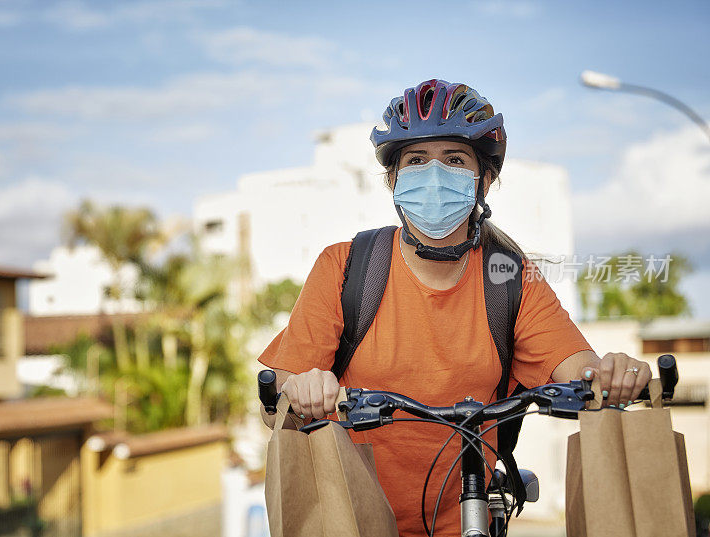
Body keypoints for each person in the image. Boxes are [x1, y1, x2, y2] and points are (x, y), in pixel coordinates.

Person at [258, 78, 652, 537]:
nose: (435, 174)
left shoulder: (509, 278)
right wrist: (303, 388)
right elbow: (277, 395)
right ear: (393, 179)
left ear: (485, 179)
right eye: (417, 160)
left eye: (456, 159)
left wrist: (611, 374)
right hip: (350, 515)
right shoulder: (346, 268)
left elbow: (578, 369)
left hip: (469, 514)